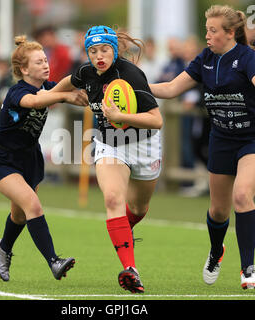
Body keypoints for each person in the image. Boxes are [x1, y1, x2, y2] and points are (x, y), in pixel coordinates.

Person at [150, 5, 255, 289]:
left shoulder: (245, 57)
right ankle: (216, 251)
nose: (207, 35)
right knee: (218, 211)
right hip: (221, 139)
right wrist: (136, 86)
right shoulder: (205, 58)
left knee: (242, 196)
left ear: (230, 33)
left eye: (213, 31)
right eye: (206, 30)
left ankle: (248, 270)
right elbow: (171, 89)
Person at [52, 26, 163, 293]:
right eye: (93, 50)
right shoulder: (86, 72)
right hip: (110, 145)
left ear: (115, 49)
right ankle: (131, 270)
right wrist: (53, 97)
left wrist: (123, 117)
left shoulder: (132, 75)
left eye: (104, 49)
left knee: (137, 209)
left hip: (144, 145)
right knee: (113, 199)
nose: (99, 55)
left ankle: (122, 232)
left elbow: (156, 120)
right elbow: (68, 82)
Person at [0, 35, 88, 282]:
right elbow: (34, 101)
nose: (45, 64)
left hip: (30, 160)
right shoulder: (18, 91)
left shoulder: (47, 87)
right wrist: (65, 96)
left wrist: (86, 78)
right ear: (24, 69)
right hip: (3, 160)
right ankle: (54, 261)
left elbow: (64, 84)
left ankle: (3, 248)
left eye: (45, 60)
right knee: (33, 206)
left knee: (19, 215)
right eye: (39, 62)